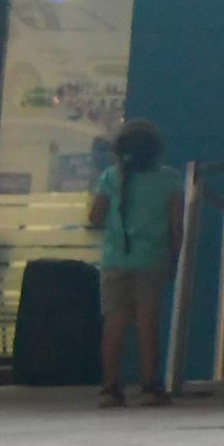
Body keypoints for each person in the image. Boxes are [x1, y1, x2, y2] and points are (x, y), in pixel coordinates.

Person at [85, 118, 184, 408]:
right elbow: (176, 226)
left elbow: (95, 217)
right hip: (152, 260)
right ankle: (150, 386)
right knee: (147, 322)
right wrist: (174, 259)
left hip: (116, 259)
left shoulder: (110, 177)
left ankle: (110, 388)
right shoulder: (170, 179)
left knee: (114, 322)